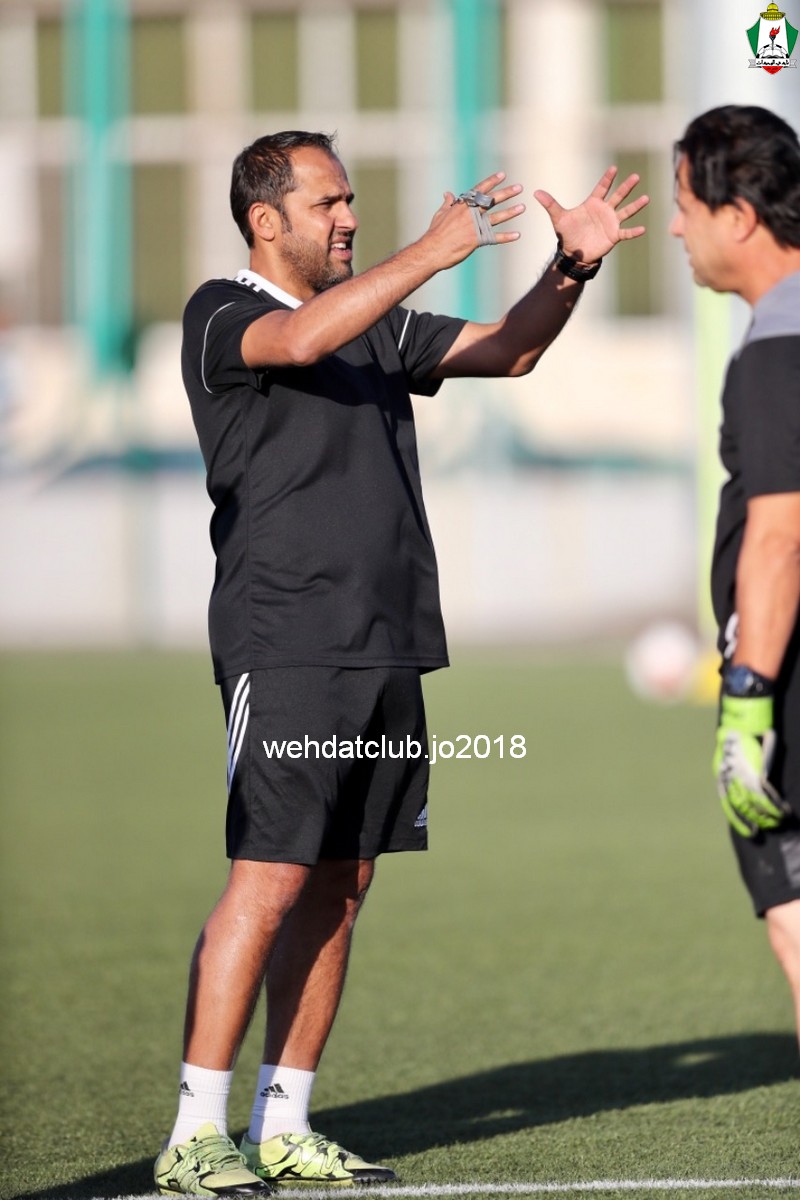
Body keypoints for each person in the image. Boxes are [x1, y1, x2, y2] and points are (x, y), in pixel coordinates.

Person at [154, 130, 648, 1196]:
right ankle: (194, 1132)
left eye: (350, 200)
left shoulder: (369, 318)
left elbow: (510, 351)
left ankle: (284, 1122)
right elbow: (297, 343)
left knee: (344, 882)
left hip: (385, 642)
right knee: (271, 876)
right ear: (264, 220)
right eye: (327, 203)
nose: (348, 217)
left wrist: (570, 267)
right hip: (287, 641)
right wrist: (429, 251)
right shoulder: (222, 311)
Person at [670, 105, 800, 1043]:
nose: (678, 229)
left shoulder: (776, 351)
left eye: (686, 206)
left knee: (796, 916)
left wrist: (748, 700)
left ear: (740, 216)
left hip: (788, 675)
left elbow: (779, 536)